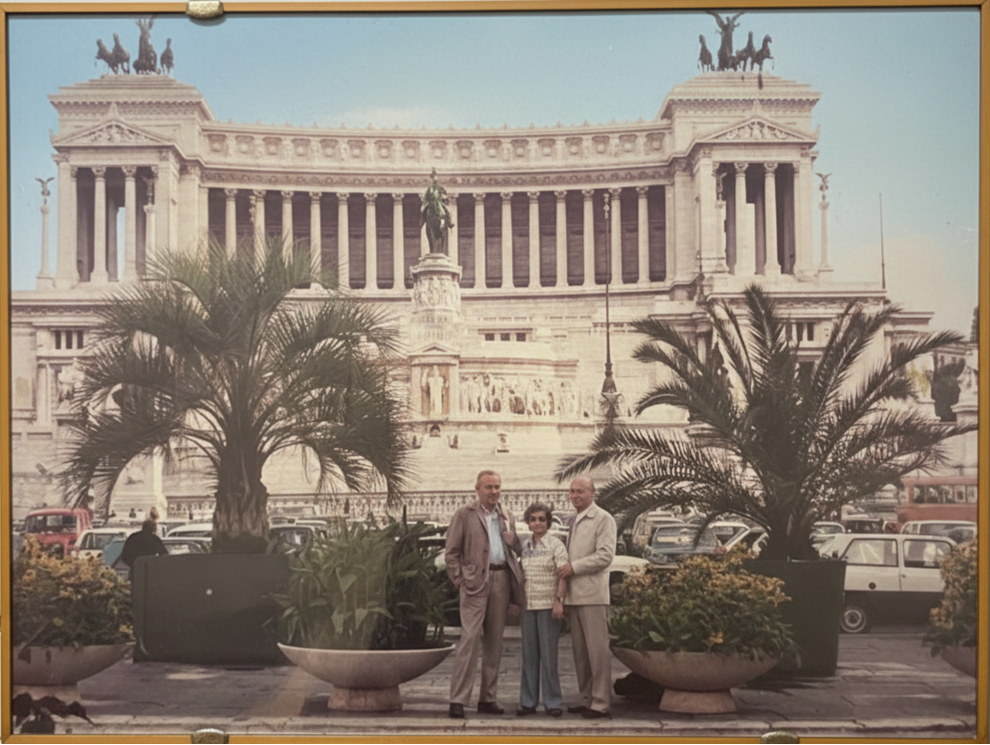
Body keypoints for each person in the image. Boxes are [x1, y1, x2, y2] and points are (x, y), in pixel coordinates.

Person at [444, 470, 523, 719]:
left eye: (497, 487)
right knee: (469, 640)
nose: (494, 492)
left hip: (501, 579)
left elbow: (516, 549)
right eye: (489, 487)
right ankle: (458, 699)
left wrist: (514, 541)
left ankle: (488, 698)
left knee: (495, 642)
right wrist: (460, 581)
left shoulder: (506, 514)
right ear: (477, 489)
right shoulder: (465, 514)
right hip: (475, 582)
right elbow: (451, 552)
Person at [557, 476, 616, 719]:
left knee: (597, 652)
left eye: (580, 491)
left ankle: (601, 702)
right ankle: (586, 697)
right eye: (571, 491)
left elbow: (605, 556)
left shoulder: (603, 518)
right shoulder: (575, 519)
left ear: (592, 492)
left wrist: (574, 567)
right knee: (580, 653)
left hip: (592, 594)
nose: (575, 495)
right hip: (575, 595)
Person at [516, 502, 568, 718]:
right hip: (528, 606)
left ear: (548, 522)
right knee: (528, 656)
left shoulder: (556, 544)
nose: (537, 523)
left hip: (549, 606)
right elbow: (519, 575)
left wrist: (559, 601)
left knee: (549, 656)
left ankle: (553, 701)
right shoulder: (524, 546)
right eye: (533, 519)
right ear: (528, 522)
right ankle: (528, 702)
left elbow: (563, 574)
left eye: (542, 519)